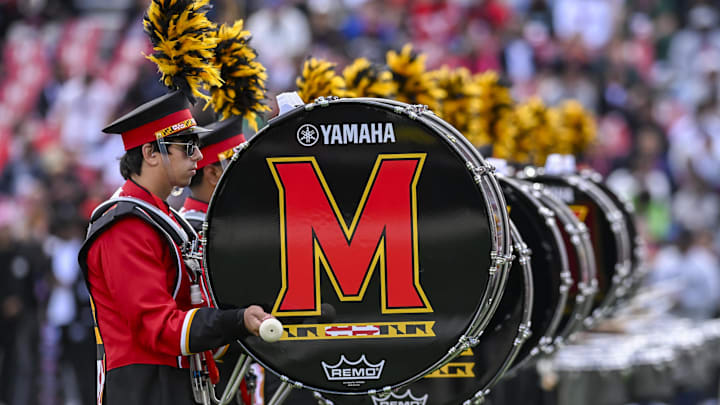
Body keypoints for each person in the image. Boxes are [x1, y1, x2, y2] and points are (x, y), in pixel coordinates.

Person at [77, 89, 272, 405]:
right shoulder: (125, 227)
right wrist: (236, 321)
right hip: (145, 389)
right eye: (188, 147)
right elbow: (159, 327)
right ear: (151, 153)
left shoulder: (163, 218)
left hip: (177, 383)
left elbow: (200, 321)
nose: (198, 155)